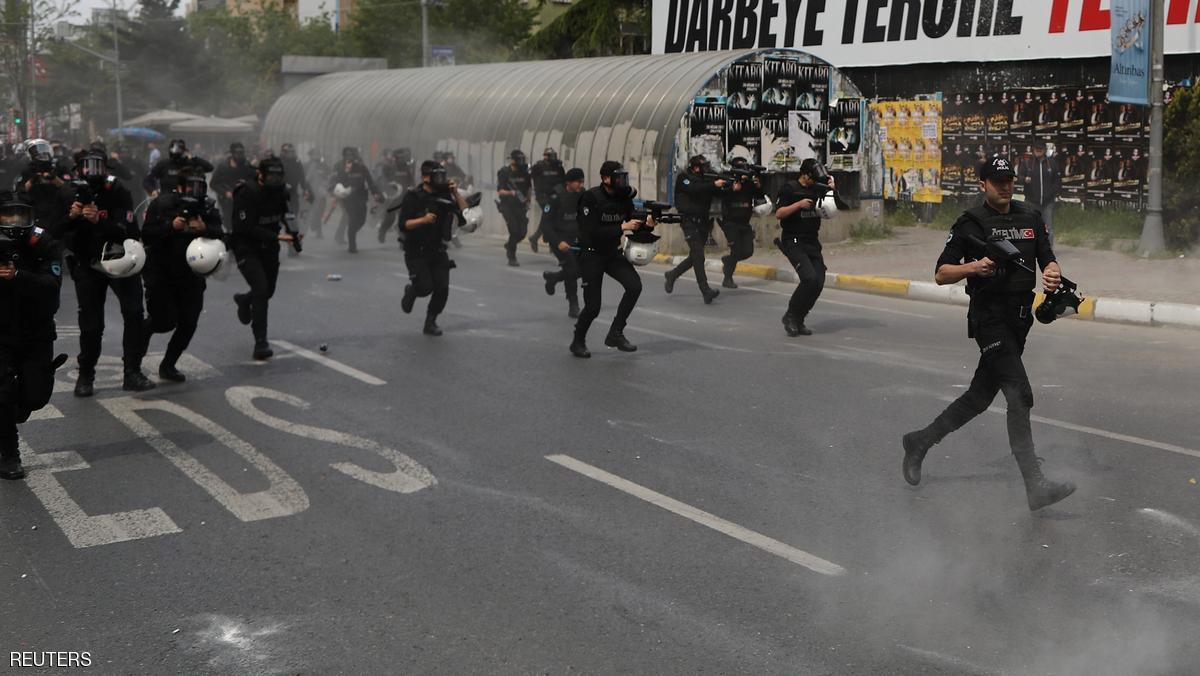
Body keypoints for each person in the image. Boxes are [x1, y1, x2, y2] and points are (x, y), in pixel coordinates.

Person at [901, 156, 1075, 512]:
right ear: (982, 185)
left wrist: (1054, 272)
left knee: (979, 398)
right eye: (997, 181)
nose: (1005, 186)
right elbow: (940, 273)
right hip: (989, 320)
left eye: (1009, 180)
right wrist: (974, 267)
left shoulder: (1030, 216)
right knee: (1019, 395)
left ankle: (920, 441)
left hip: (1019, 321)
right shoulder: (970, 224)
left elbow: (1047, 256)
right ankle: (1035, 486)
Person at [60, 152, 155, 394]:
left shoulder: (117, 191)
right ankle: (85, 375)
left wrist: (98, 222)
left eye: (97, 166)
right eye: (86, 167)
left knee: (133, 313)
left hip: (119, 260)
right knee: (91, 323)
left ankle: (132, 371)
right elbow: (56, 233)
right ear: (78, 169)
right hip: (88, 263)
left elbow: (128, 230)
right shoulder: (69, 194)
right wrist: (71, 218)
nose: (92, 171)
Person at [0, 193, 64, 480]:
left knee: (35, 397)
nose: (14, 224)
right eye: (7, 217)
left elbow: (51, 285)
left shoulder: (44, 244)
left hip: (36, 331)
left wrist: (17, 276)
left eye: (20, 217)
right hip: (1, 333)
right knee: (2, 394)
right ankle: (9, 455)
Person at [138, 172, 223, 382]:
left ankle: (168, 365)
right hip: (161, 273)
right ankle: (133, 364)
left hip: (191, 276)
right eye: (190, 186)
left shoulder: (208, 208)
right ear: (181, 187)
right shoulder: (162, 204)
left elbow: (222, 236)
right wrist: (171, 226)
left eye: (199, 187)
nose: (194, 192)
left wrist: (205, 229)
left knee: (189, 321)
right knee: (161, 322)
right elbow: (147, 234)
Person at [570, 161, 654, 358]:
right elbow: (590, 231)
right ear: (605, 179)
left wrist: (648, 225)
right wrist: (621, 228)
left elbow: (635, 227)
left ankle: (616, 332)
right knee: (593, 307)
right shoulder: (590, 198)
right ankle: (578, 341)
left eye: (623, 177)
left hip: (612, 254)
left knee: (634, 286)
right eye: (618, 177)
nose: (621, 181)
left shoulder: (624, 199)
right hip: (591, 254)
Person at [232, 158, 298, 360]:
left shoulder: (281, 192)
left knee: (268, 291)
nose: (275, 180)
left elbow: (287, 215)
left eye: (279, 176)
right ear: (260, 174)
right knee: (261, 289)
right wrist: (277, 236)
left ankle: (244, 300)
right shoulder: (247, 192)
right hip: (247, 247)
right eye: (271, 176)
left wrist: (294, 234)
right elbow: (245, 227)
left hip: (269, 247)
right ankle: (260, 342)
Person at [395, 160, 467, 336]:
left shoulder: (445, 195)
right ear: (426, 177)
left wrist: (455, 194)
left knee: (442, 287)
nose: (441, 179)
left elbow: (465, 215)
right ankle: (412, 291)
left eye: (443, 175)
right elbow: (403, 224)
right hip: (416, 251)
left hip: (438, 249)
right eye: (438, 176)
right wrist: (423, 220)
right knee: (425, 287)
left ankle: (431, 321)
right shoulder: (413, 196)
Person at [774, 158, 832, 337]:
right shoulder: (789, 188)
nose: (814, 181)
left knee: (819, 282)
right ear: (805, 175)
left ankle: (799, 318)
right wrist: (798, 205)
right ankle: (790, 316)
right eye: (812, 178)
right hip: (794, 241)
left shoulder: (817, 188)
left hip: (812, 242)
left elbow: (834, 207)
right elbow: (779, 213)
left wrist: (832, 188)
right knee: (809, 278)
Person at [664, 155, 726, 304]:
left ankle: (672, 275)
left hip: (703, 223)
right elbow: (694, 189)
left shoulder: (707, 180)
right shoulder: (684, 178)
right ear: (695, 167)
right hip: (689, 222)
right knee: (699, 255)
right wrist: (713, 185)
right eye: (703, 167)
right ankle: (706, 291)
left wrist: (730, 185)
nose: (706, 170)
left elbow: (720, 193)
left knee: (695, 256)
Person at [540, 167, 585, 319]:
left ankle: (553, 278)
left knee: (583, 268)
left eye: (582, 182)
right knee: (571, 268)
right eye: (578, 182)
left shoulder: (581, 196)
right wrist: (558, 242)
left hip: (575, 239)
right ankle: (573, 304)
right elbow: (545, 224)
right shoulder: (555, 196)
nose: (581, 185)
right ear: (569, 182)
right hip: (559, 239)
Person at [718, 157, 764, 289]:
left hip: (745, 223)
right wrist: (732, 189)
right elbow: (719, 195)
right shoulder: (727, 180)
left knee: (748, 252)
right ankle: (728, 278)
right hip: (730, 223)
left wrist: (758, 185)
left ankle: (728, 260)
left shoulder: (749, 183)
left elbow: (759, 196)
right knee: (736, 251)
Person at [328, 146, 382, 253]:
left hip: (361, 196)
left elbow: (370, 182)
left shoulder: (361, 167)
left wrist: (377, 193)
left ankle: (352, 232)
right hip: (347, 198)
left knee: (361, 220)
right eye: (347, 155)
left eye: (352, 154)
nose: (350, 157)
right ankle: (352, 244)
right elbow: (333, 181)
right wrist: (335, 189)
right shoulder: (338, 166)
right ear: (344, 156)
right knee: (352, 218)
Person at [1018, 142, 1061, 240]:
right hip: (1031, 201)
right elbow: (1019, 177)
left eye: (1040, 148)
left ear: (1045, 150)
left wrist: (1051, 193)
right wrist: (1024, 179)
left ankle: (1048, 250)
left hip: (1048, 202)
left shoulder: (1052, 163)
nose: (1038, 150)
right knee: (1029, 228)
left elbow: (1057, 180)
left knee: (1048, 227)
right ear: (1033, 150)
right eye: (1036, 148)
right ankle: (1031, 249)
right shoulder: (1027, 162)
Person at [211, 142, 256, 233]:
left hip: (244, 199)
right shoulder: (223, 167)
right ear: (232, 153)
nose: (240, 155)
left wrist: (246, 183)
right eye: (238, 153)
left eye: (242, 153)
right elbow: (214, 184)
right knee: (228, 223)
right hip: (227, 201)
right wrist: (225, 192)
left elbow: (255, 180)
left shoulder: (247, 166)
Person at [144, 139, 214, 197]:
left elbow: (209, 167)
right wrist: (153, 191)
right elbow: (147, 180)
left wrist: (194, 158)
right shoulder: (163, 164)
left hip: (189, 200)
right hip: (166, 201)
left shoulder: (190, 162)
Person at [496, 149, 532, 266]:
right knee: (514, 230)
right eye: (518, 159)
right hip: (508, 206)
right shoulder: (504, 172)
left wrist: (528, 200)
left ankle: (510, 245)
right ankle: (512, 257)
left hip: (520, 206)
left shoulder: (525, 172)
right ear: (512, 160)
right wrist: (511, 193)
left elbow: (528, 188)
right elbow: (500, 191)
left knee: (522, 233)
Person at [528, 148, 565, 252]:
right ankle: (548, 241)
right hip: (543, 197)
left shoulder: (558, 167)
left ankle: (538, 238)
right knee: (548, 216)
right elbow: (531, 177)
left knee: (549, 217)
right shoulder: (538, 167)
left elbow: (563, 181)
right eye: (550, 155)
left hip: (555, 196)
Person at [303, 149, 330, 239]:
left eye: (318, 154)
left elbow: (329, 175)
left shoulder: (324, 165)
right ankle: (316, 230)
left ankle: (315, 227)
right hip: (311, 192)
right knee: (311, 211)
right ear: (310, 156)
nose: (317, 156)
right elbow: (305, 178)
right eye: (314, 154)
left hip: (321, 192)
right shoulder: (306, 165)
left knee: (320, 211)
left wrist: (324, 176)